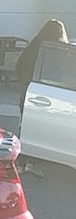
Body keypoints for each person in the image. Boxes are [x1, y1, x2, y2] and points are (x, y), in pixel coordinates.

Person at [15, 18, 68, 178]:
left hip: (28, 91)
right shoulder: (54, 51)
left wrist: (27, 83)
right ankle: (31, 163)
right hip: (45, 95)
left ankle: (22, 162)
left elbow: (18, 67)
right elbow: (59, 74)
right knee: (40, 130)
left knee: (26, 128)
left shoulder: (33, 47)